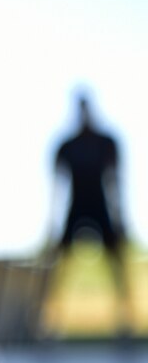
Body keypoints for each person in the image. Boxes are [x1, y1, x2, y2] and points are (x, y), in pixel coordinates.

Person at [51, 92, 130, 333]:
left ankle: (124, 321)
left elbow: (115, 181)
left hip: (101, 207)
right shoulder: (67, 146)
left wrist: (120, 218)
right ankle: (49, 321)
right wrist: (52, 224)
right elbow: (57, 188)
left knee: (117, 263)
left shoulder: (106, 142)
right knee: (58, 264)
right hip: (76, 207)